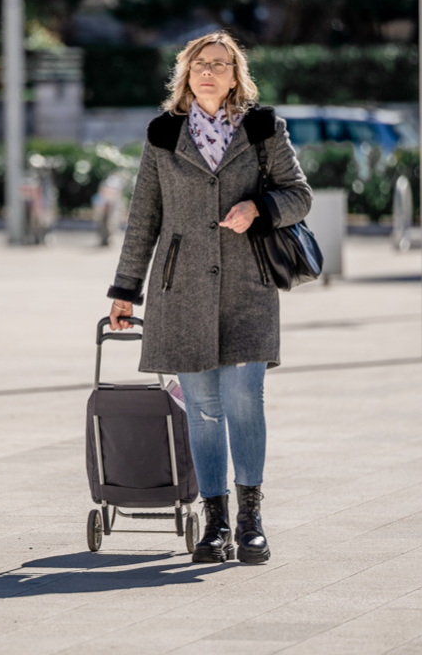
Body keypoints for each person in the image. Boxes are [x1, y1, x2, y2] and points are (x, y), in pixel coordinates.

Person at [105, 32, 312, 565]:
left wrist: (258, 208)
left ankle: (251, 520)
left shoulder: (264, 127)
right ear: (186, 73)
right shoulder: (162, 134)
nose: (209, 72)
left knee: (245, 400)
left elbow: (299, 194)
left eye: (221, 64)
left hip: (250, 286)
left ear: (235, 75)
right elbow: (143, 218)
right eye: (201, 63)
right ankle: (214, 522)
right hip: (181, 290)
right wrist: (125, 291)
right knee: (201, 409)